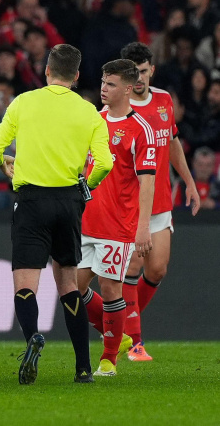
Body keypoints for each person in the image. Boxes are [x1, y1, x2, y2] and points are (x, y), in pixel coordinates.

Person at [0, 43, 114, 385]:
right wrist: (86, 185)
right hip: (69, 202)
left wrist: (6, 166)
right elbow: (105, 163)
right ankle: (84, 369)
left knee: (25, 284)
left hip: (31, 201)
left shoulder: (24, 102)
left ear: (46, 71)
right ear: (76, 75)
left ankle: (33, 340)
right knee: (69, 284)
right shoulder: (89, 112)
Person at [119, 42, 201, 361]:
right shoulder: (120, 108)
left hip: (161, 200)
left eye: (143, 71)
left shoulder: (164, 100)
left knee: (157, 269)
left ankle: (117, 322)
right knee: (133, 266)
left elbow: (173, 141)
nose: (138, 78)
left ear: (152, 69)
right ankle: (134, 340)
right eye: (133, 72)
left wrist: (190, 182)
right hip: (130, 204)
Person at [78, 59, 155, 377]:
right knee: (72, 287)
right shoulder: (92, 121)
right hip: (84, 221)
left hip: (117, 225)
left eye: (110, 84)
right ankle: (120, 336)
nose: (103, 89)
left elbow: (147, 182)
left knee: (111, 288)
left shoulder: (141, 130)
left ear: (128, 87)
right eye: (102, 82)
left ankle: (109, 359)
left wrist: (143, 228)